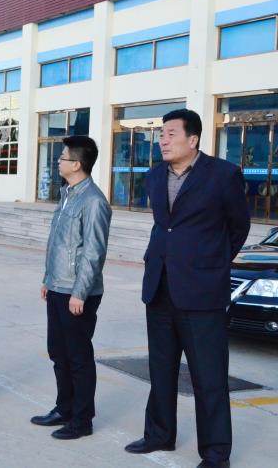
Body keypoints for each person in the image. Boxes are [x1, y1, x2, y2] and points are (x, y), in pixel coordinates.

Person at [124, 109, 250, 468]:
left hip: (202, 291)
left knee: (209, 377)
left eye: (171, 134)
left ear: (193, 139)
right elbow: (165, 226)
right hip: (160, 286)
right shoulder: (154, 175)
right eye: (161, 135)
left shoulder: (223, 175)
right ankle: (159, 434)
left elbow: (238, 227)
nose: (163, 141)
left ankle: (215, 454)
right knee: (161, 369)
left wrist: (212, 262)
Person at [31, 136, 111, 440]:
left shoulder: (93, 200)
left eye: (62, 157)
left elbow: (94, 251)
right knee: (58, 352)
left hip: (78, 292)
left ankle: (82, 420)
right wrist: (48, 278)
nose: (58, 161)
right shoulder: (67, 194)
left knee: (78, 357)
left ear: (76, 164)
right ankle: (63, 408)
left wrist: (80, 292)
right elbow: (58, 243)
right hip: (58, 286)